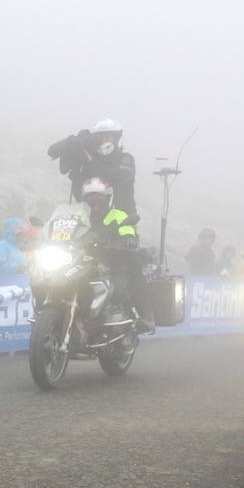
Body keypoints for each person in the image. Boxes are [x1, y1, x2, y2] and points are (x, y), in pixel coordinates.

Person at [78, 177, 149, 330]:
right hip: (82, 260)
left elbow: (127, 229)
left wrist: (128, 238)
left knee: (119, 286)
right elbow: (67, 228)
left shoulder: (118, 215)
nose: (93, 202)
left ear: (107, 199)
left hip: (111, 259)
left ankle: (131, 314)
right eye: (89, 197)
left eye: (97, 197)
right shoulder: (79, 215)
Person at [47, 118, 138, 218]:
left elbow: (121, 175)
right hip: (87, 218)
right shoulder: (86, 157)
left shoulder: (125, 159)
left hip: (123, 220)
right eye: (99, 138)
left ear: (116, 139)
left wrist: (90, 162)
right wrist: (74, 141)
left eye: (107, 138)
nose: (103, 142)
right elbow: (52, 152)